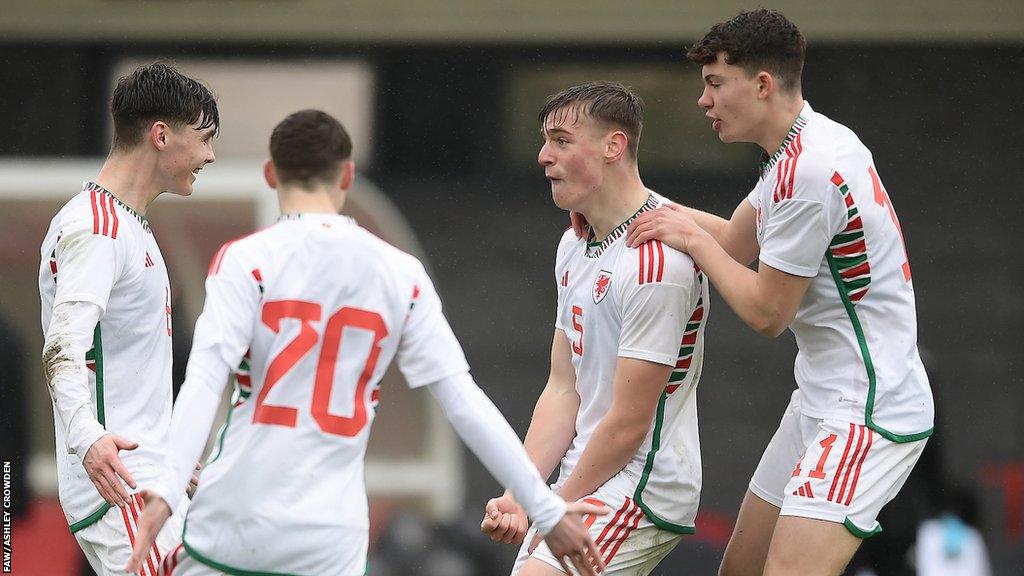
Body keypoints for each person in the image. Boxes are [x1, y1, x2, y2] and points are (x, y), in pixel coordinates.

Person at [124, 109, 607, 576]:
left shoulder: (245, 259)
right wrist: (543, 508)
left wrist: (166, 490)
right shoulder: (400, 272)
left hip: (237, 516)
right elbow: (462, 401)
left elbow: (205, 380)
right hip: (330, 534)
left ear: (271, 174)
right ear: (347, 176)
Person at [622, 9, 934, 575]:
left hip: (866, 410)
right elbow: (734, 246)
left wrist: (692, 239)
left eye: (716, 84)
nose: (703, 101)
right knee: (739, 570)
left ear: (762, 85)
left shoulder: (808, 173)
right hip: (821, 398)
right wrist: (631, 206)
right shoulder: (804, 146)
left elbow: (767, 311)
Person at [481, 82, 709, 575]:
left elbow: (628, 425)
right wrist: (520, 495)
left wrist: (550, 505)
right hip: (588, 478)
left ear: (614, 147)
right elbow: (564, 389)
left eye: (561, 141)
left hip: (642, 485)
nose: (543, 156)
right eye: (545, 141)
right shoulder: (573, 245)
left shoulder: (656, 263)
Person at [38, 62, 218, 576]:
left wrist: (170, 458)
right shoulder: (96, 229)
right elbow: (62, 349)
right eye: (203, 138)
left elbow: (125, 371)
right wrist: (88, 439)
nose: (209, 155)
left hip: (147, 476)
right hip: (122, 489)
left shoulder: (128, 226)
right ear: (161, 135)